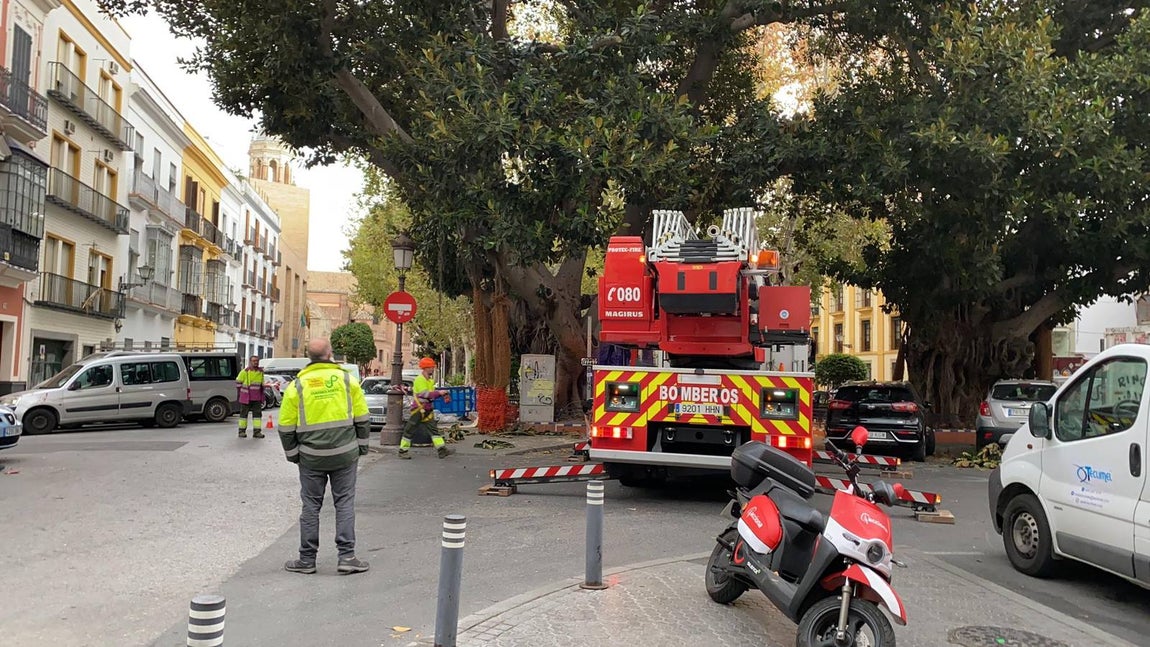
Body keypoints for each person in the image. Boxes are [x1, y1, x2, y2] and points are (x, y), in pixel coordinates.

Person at [278, 338, 372, 575]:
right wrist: (361, 447)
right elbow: (362, 419)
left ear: (309, 356)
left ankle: (307, 560)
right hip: (344, 455)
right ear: (330, 353)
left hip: (311, 457)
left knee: (310, 505)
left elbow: (286, 427)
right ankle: (347, 557)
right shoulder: (347, 380)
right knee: (344, 503)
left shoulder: (297, 386)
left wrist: (294, 455)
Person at [398, 357, 452, 459]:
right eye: (431, 367)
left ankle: (442, 450)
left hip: (427, 409)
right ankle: (402, 451)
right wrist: (439, 393)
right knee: (410, 430)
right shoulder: (420, 380)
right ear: (426, 368)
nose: (433, 369)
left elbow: (431, 394)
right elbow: (425, 394)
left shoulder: (429, 381)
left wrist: (443, 395)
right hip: (419, 409)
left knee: (434, 431)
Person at [235, 355, 265, 438]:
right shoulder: (244, 372)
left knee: (257, 416)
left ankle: (257, 432)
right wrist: (242, 393)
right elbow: (238, 383)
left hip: (257, 398)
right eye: (254, 361)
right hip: (246, 398)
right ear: (250, 362)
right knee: (243, 416)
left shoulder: (261, 372)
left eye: (257, 361)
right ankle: (241, 431)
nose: (256, 362)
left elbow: (261, 385)